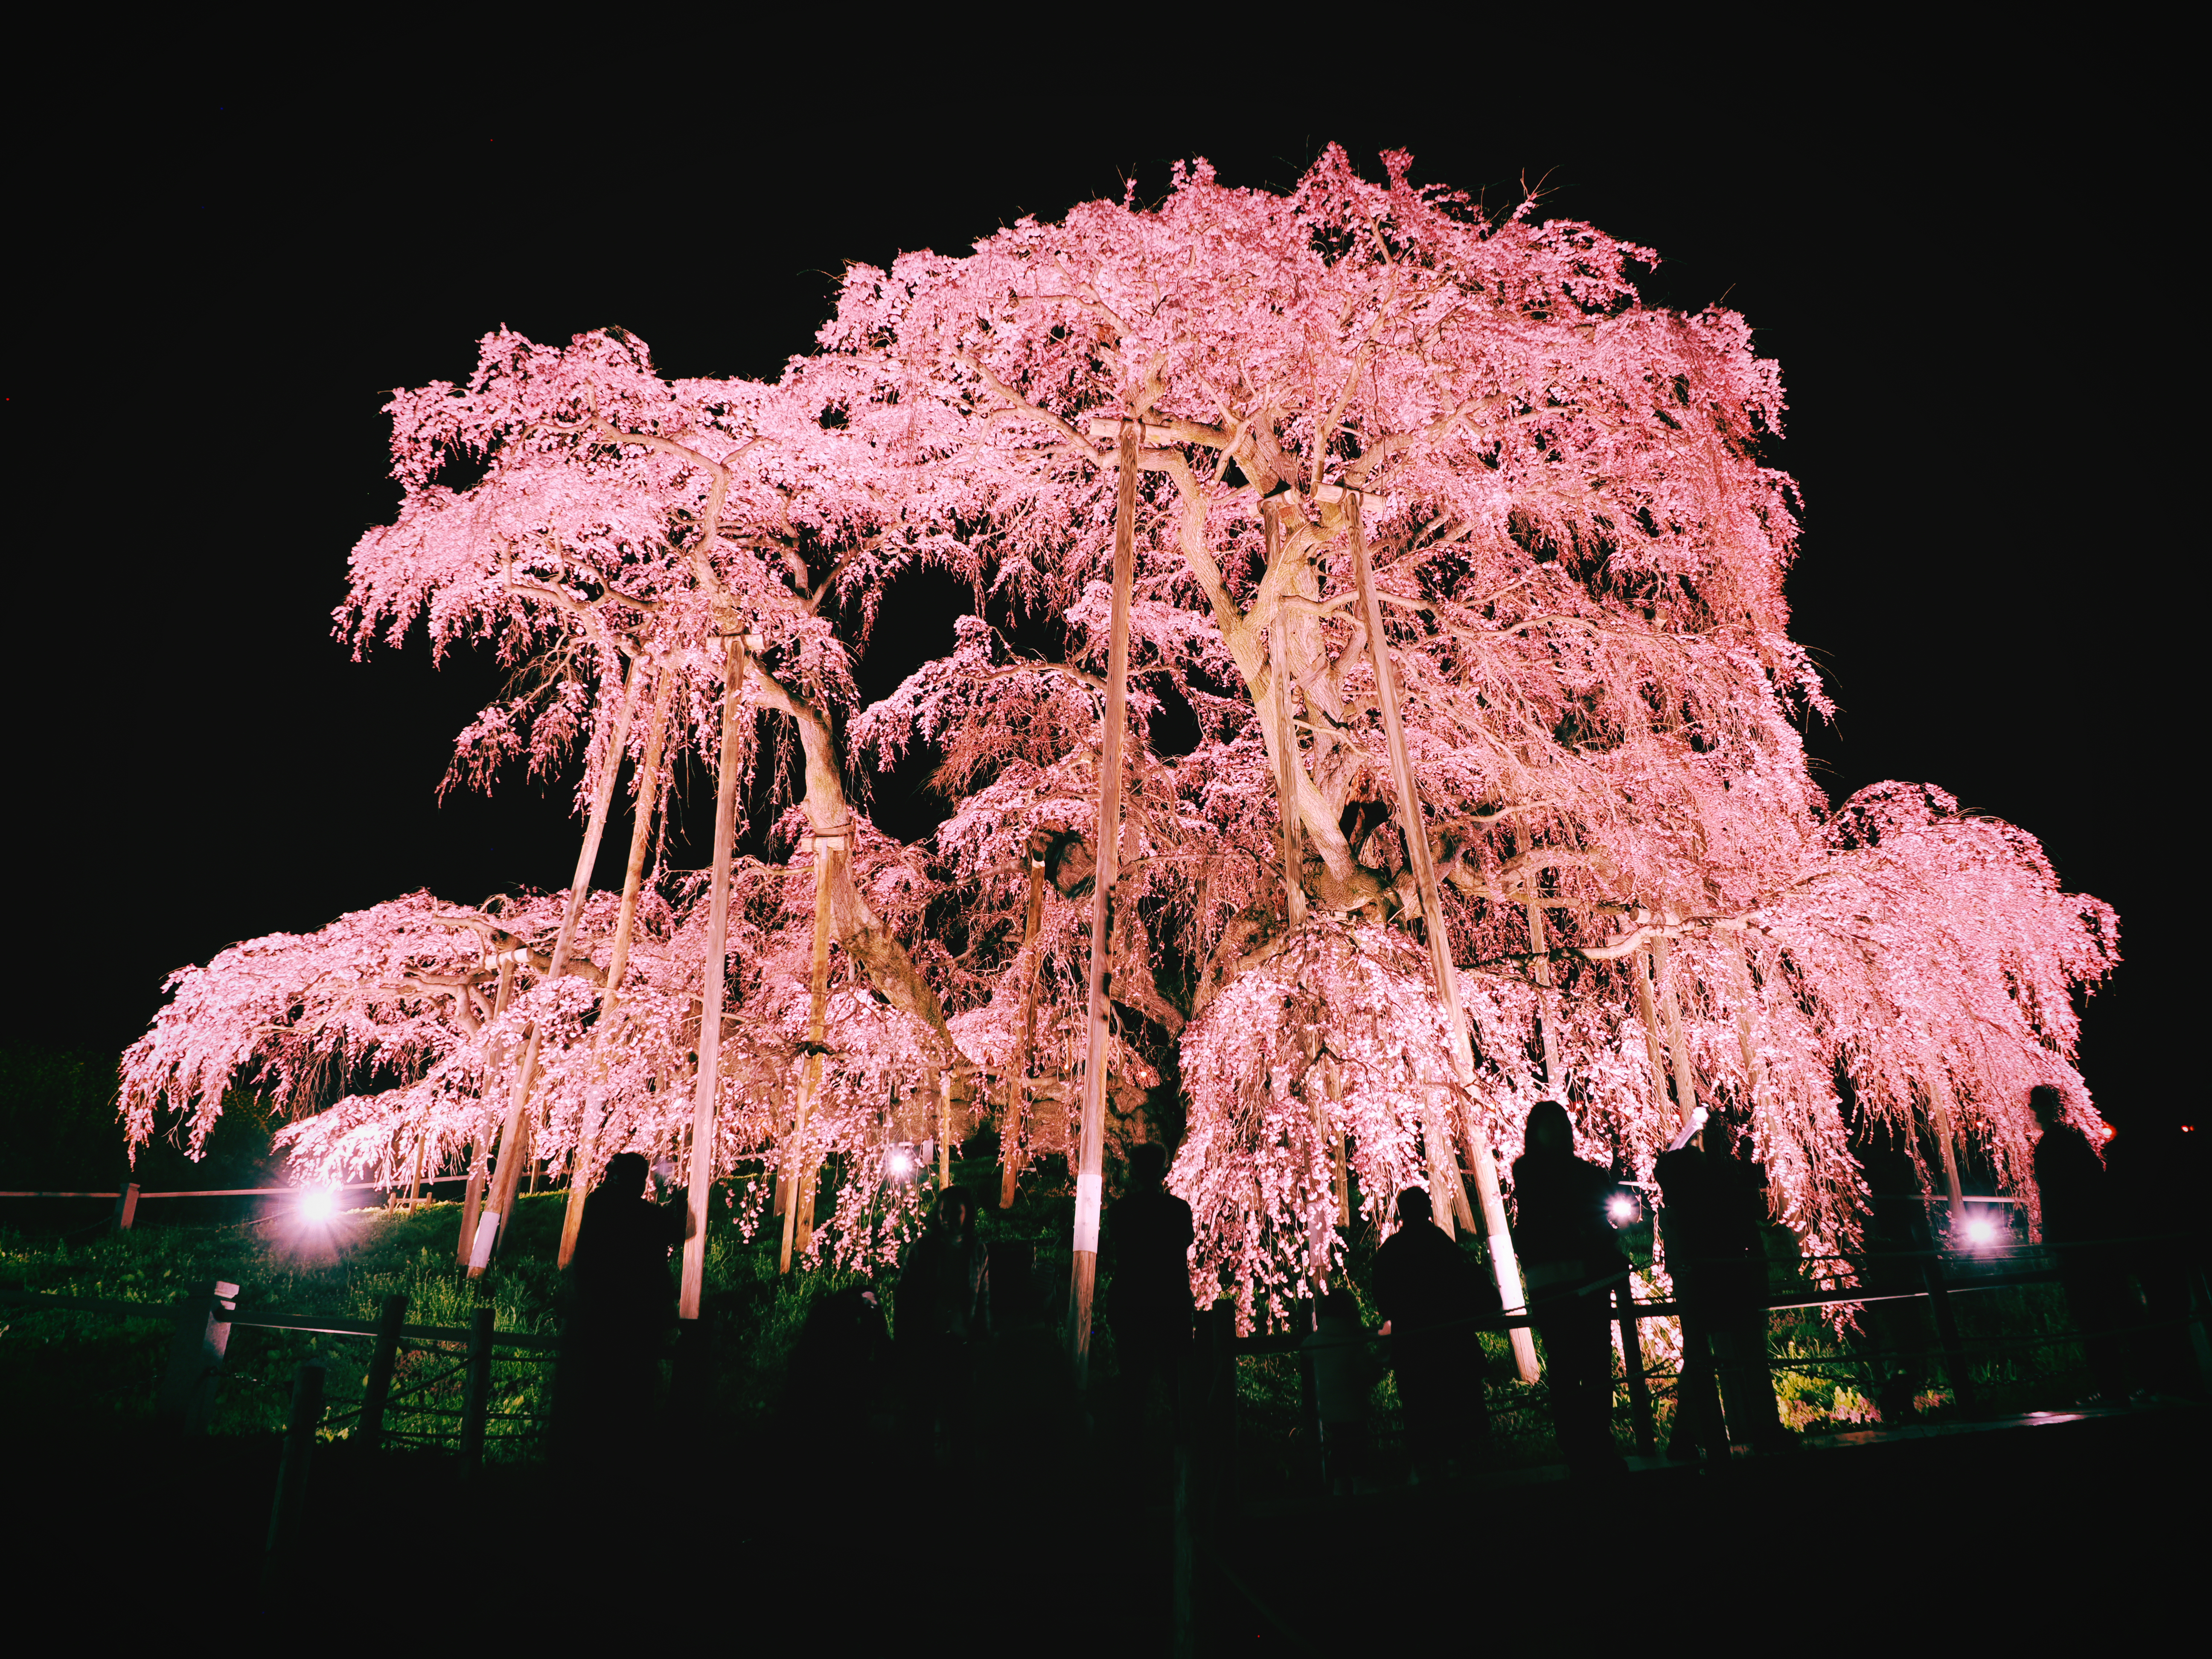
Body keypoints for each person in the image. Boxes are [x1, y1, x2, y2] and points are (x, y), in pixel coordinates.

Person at [1512, 1100, 1628, 1476]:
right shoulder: (1535, 1172)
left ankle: (1595, 1443)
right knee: (1571, 1364)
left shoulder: (1557, 1173)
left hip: (1572, 1279)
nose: (1560, 1131)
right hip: (1565, 1281)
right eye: (1551, 1125)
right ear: (1536, 1133)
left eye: (1562, 1124)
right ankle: (1582, 1446)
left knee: (1593, 1363)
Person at [558, 1151, 686, 1475]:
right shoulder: (638, 1214)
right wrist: (671, 1192)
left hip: (594, 1317)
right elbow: (677, 1230)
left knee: (594, 1396)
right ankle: (624, 1461)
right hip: (633, 1320)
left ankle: (587, 1459)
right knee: (630, 1396)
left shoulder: (598, 1205)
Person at [1371, 1186, 1491, 1481]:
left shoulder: (1391, 1250)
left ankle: (1422, 1464)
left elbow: (1382, 1298)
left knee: (1417, 1403)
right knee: (1450, 1398)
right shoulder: (1442, 1243)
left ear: (1401, 1213)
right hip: (1448, 1336)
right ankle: (1452, 1460)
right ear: (1428, 1210)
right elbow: (1462, 1284)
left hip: (1411, 1339)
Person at [2031, 1085, 2134, 1401]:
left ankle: (2112, 1387)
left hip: (2077, 1242)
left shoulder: (2052, 1145)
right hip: (2097, 1236)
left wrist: (2054, 1240)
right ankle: (2147, 1379)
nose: (2032, 1112)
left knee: (2092, 1314)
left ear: (2046, 1109)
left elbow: (2054, 1196)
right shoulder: (2077, 1141)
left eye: (2036, 1106)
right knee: (2119, 1307)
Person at [1105, 1141, 1195, 1434]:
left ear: (1133, 1171)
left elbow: (1115, 1246)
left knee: (1133, 1386)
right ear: (1164, 1171)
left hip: (1132, 1302)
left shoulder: (1121, 1211)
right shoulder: (1178, 1210)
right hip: (1172, 1302)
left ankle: (1130, 1450)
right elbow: (1186, 1240)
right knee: (1179, 1384)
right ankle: (1186, 1445)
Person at [896, 1184, 990, 1459]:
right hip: (926, 1343)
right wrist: (904, 1342)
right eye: (943, 1212)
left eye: (955, 1212)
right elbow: (904, 1297)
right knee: (922, 1417)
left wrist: (983, 1341)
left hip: (961, 1344)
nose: (947, 1218)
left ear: (967, 1214)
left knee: (961, 1417)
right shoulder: (922, 1250)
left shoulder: (977, 1252)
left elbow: (984, 1300)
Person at [1303, 1287, 1372, 1495]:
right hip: (1355, 1405)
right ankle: (1361, 1488)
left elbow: (1305, 1348)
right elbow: (1367, 1371)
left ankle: (1340, 1490)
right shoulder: (1354, 1338)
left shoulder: (1320, 1337)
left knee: (1339, 1448)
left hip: (1330, 1408)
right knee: (1359, 1450)